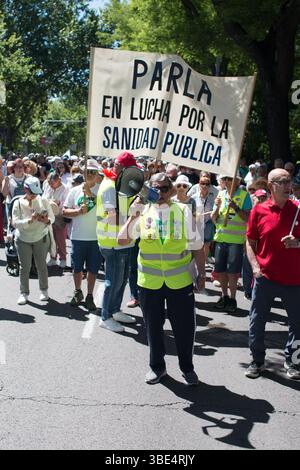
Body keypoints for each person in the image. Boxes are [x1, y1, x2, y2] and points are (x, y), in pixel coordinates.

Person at [118, 173, 206, 385]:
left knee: (184, 329)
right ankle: (157, 368)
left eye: (165, 189)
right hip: (149, 283)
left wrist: (201, 275)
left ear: (171, 190)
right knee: (153, 328)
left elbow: (197, 247)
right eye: (156, 189)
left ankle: (187, 368)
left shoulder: (183, 211)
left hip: (180, 281)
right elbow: (122, 239)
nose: (160, 194)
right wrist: (134, 213)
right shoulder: (142, 212)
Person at [245, 169, 300, 380]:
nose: (289, 186)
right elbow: (250, 241)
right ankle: (257, 360)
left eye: (290, 181)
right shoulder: (259, 211)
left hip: (294, 279)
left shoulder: (297, 210)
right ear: (270, 186)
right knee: (257, 322)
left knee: (297, 324)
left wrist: (297, 243)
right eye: (283, 182)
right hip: (265, 277)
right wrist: (255, 267)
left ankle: (293, 361)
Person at [96, 151, 137, 332]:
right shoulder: (109, 186)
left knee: (122, 279)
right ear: (119, 166)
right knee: (113, 280)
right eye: (130, 168)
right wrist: (135, 216)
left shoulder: (119, 183)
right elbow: (113, 219)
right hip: (112, 241)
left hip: (123, 240)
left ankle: (114, 310)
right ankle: (105, 316)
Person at [63, 159, 102, 311]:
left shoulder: (101, 190)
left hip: (96, 237)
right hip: (78, 236)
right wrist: (78, 211)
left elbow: (106, 209)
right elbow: (64, 211)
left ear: (97, 173)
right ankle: (78, 291)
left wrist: (90, 194)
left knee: (93, 270)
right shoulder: (74, 190)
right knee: (77, 268)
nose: (90, 174)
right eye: (87, 172)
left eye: (93, 171)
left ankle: (90, 295)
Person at [211, 175, 252, 313]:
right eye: (225, 179)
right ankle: (224, 296)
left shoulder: (244, 195)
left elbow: (248, 218)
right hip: (221, 238)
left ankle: (233, 299)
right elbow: (214, 218)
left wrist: (235, 207)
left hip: (235, 241)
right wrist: (216, 207)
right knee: (220, 271)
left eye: (230, 179)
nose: (228, 181)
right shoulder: (221, 194)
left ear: (238, 181)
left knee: (232, 273)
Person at [12, 176, 55, 305]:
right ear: (26, 189)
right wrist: (29, 221)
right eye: (32, 192)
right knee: (24, 267)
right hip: (23, 238)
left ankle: (44, 290)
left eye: (36, 193)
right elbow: (15, 223)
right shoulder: (18, 202)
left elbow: (51, 218)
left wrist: (46, 220)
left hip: (40, 237)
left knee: (41, 265)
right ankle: (24, 293)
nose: (34, 195)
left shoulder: (43, 200)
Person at [43, 173, 69, 268]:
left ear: (59, 180)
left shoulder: (65, 188)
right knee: (51, 238)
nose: (50, 184)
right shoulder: (47, 185)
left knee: (60, 239)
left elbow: (67, 203)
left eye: (52, 183)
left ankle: (63, 259)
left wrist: (58, 203)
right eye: (49, 182)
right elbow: (43, 197)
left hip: (59, 217)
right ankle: (53, 258)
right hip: (48, 216)